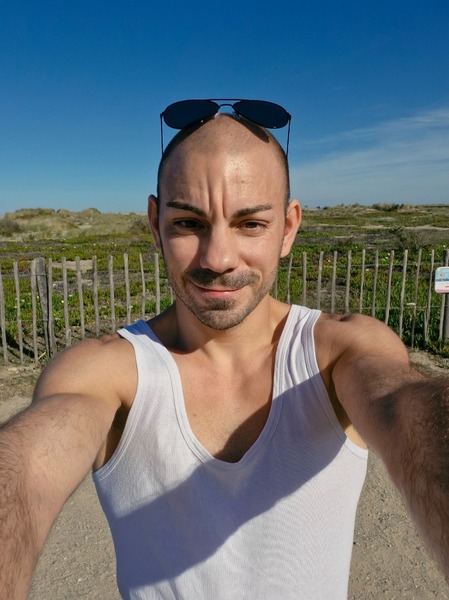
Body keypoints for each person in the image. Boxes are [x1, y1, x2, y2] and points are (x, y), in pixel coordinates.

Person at [1, 103, 449, 600]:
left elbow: (407, 408)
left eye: (250, 223)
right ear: (154, 224)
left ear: (288, 228)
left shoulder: (338, 353)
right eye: (189, 222)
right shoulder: (104, 373)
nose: (218, 258)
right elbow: (24, 475)